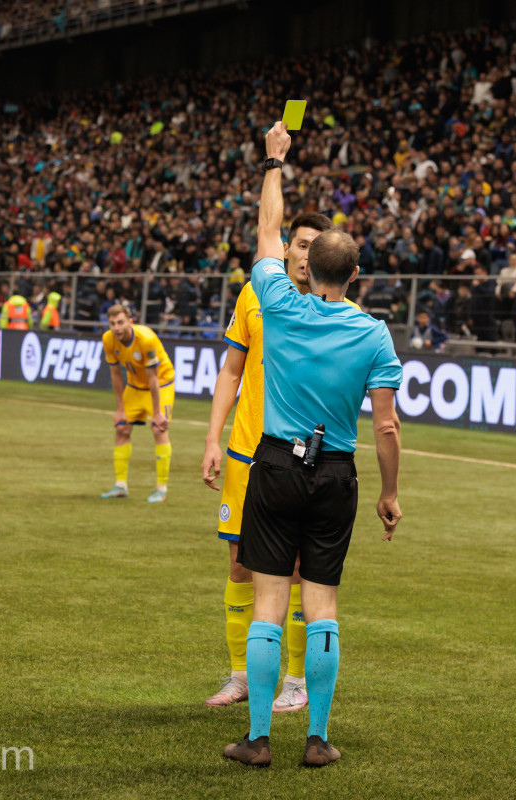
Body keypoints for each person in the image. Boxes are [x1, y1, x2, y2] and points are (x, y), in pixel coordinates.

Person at [221, 122, 402, 769]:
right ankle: (319, 739)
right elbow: (386, 427)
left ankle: (260, 738)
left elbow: (267, 234)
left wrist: (275, 161)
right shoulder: (375, 336)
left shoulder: (279, 303)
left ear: (309, 268)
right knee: (321, 603)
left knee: (269, 602)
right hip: (336, 472)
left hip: (274, 466)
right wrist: (389, 493)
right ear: (355, 273)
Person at [202, 211, 333, 711]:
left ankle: (295, 681)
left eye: (315, 248)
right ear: (285, 249)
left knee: (300, 572)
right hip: (245, 453)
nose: (306, 255)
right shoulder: (255, 294)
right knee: (239, 567)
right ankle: (240, 676)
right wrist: (213, 439)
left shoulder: (335, 305)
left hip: (302, 461)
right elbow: (231, 370)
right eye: (299, 245)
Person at [100, 305, 174, 503]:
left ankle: (161, 487)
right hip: (134, 386)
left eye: (121, 322)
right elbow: (115, 374)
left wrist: (157, 413)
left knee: (159, 429)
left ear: (130, 322)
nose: (117, 328)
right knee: (121, 428)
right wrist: (120, 410)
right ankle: (120, 485)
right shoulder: (108, 339)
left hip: (161, 383)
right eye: (113, 323)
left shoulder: (146, 339)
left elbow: (153, 379)